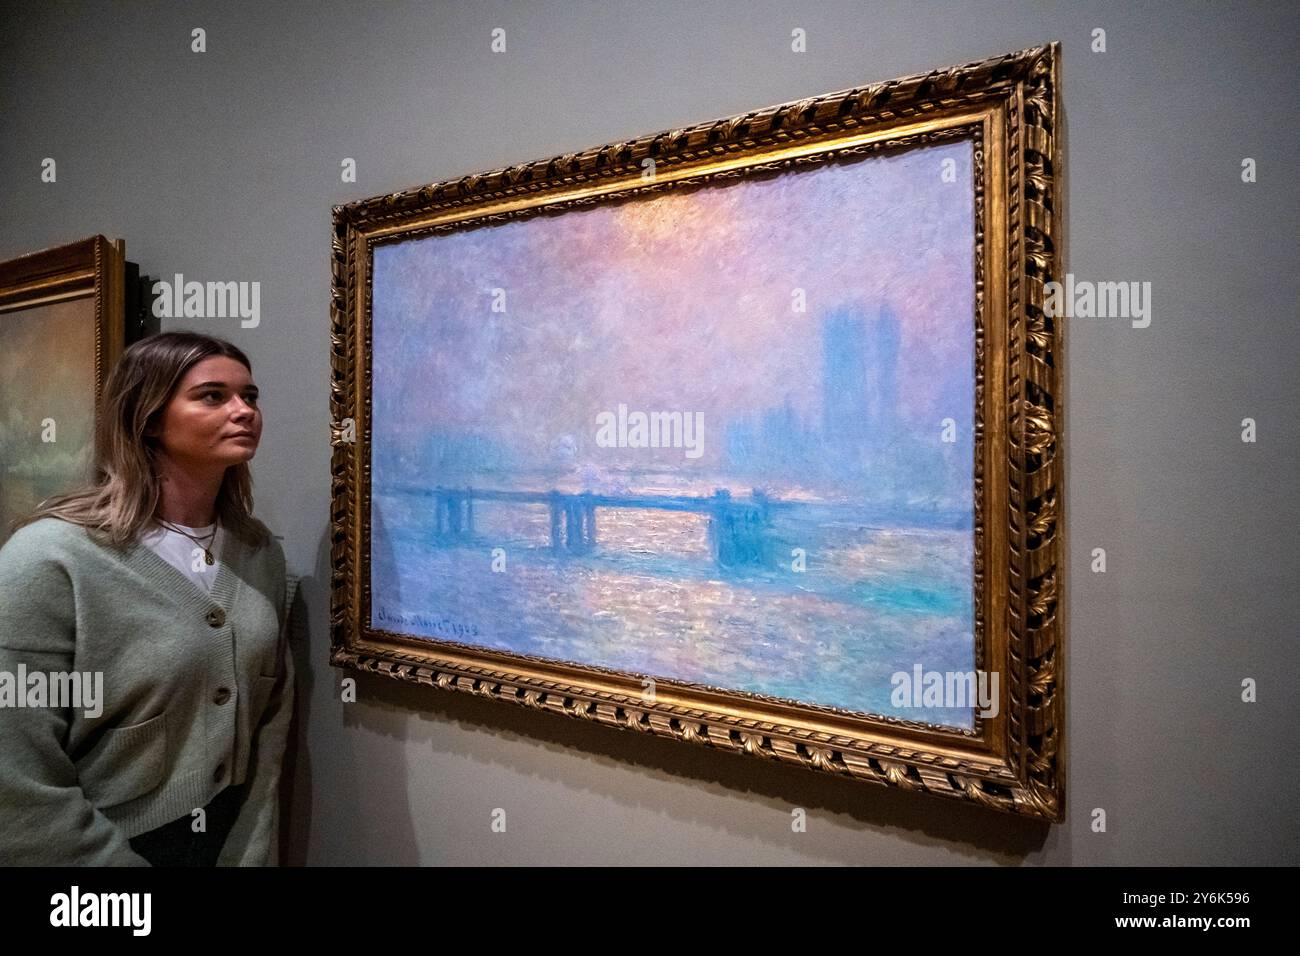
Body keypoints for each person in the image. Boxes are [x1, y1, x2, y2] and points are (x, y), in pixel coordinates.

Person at [0, 331, 296, 865]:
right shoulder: (50, 560)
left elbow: (268, 731)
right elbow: (15, 772)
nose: (244, 411)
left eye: (249, 396)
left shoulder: (258, 554)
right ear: (149, 417)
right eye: (213, 396)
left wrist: (253, 848)